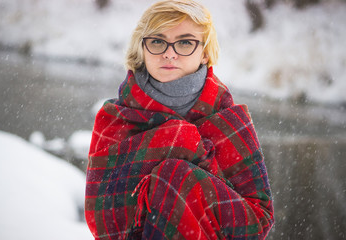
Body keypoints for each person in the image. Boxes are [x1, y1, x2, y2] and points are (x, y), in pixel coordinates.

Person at [85, 0, 274, 239]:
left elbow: (259, 218)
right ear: (142, 48)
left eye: (185, 42)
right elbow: (102, 219)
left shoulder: (225, 117)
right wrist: (181, 143)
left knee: (176, 175)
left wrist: (185, 174)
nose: (169, 53)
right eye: (157, 41)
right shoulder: (117, 117)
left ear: (205, 52)